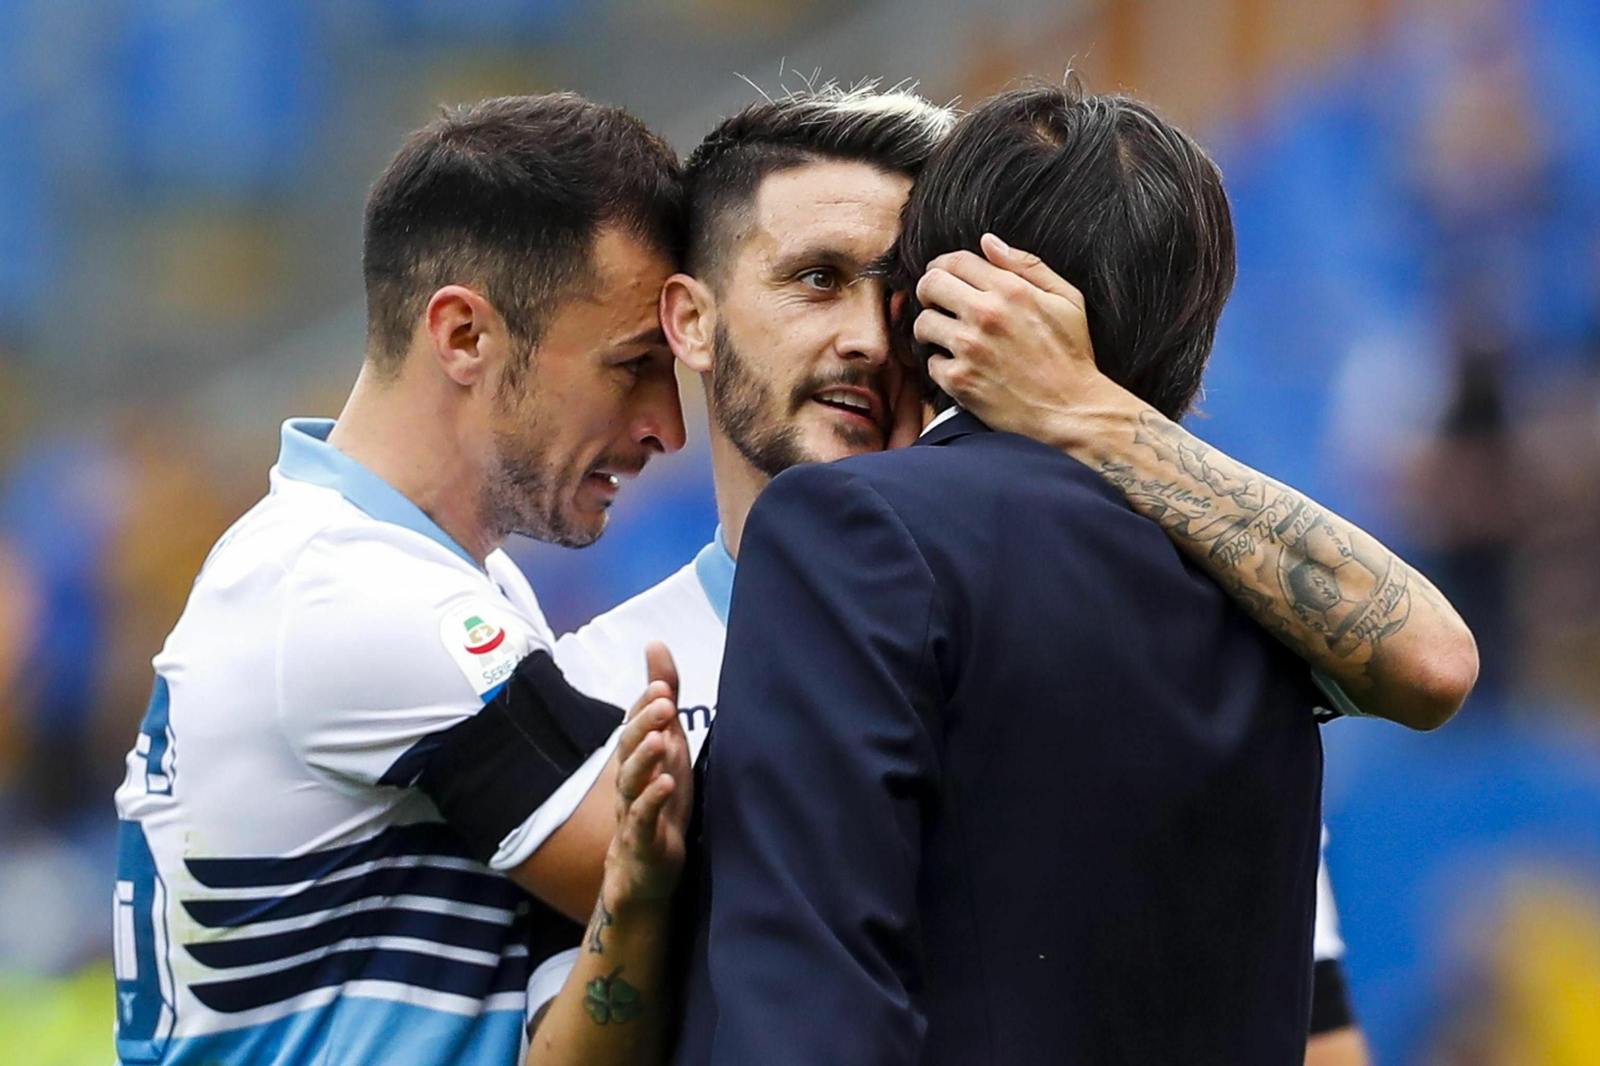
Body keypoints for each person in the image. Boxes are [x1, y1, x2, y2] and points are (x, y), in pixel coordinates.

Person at [526, 85, 1471, 1063]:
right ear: (691, 318)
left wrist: (1080, 405)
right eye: (816, 279)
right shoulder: (595, 676)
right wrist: (639, 904)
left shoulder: (1240, 576)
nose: (867, 336)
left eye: (894, 293)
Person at [110, 94, 696, 1066]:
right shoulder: (354, 596)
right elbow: (699, 871)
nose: (666, 427)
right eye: (634, 364)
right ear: (464, 335)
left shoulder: (392, 570)